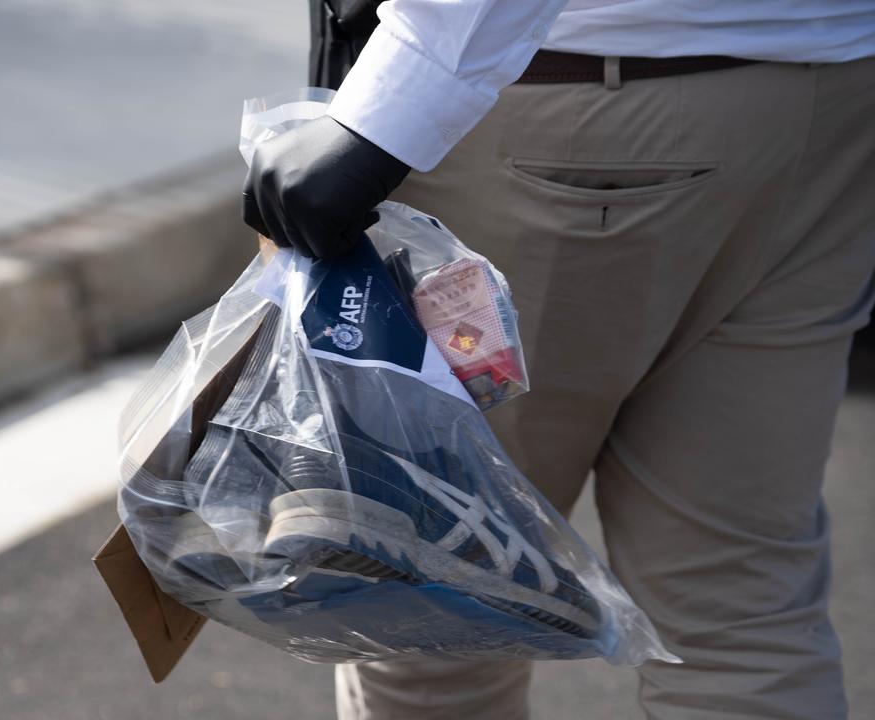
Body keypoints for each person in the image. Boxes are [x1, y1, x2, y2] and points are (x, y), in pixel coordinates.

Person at [241, 1, 875, 718]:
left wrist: (388, 112)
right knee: (743, 616)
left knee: (440, 611)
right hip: (825, 99)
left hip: (561, 102)